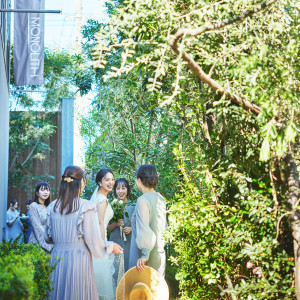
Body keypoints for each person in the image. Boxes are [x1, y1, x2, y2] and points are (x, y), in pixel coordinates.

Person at [44, 165, 123, 300]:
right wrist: (110, 246)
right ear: (80, 183)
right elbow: (94, 242)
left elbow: (47, 237)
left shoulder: (52, 206)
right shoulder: (85, 206)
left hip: (56, 260)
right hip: (78, 261)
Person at [90, 168, 123, 300]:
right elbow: (99, 224)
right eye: (107, 180)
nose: (111, 183)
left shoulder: (100, 197)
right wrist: (104, 245)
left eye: (112, 179)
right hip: (100, 240)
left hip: (97, 239)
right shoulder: (101, 200)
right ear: (99, 182)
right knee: (102, 281)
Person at [129, 164, 167, 276]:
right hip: (160, 253)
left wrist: (144, 255)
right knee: (156, 292)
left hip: (145, 256)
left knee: (143, 291)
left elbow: (145, 228)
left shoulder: (142, 200)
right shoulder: (160, 198)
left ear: (139, 180)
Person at [108, 178, 135, 272]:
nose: (120, 191)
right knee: (115, 271)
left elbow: (140, 225)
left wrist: (131, 228)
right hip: (115, 242)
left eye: (123, 188)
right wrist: (116, 223)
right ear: (115, 190)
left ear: (127, 190)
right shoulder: (111, 207)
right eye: (118, 188)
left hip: (129, 243)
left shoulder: (134, 206)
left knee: (129, 268)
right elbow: (107, 228)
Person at [28, 182, 53, 252]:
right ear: (37, 193)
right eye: (42, 190)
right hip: (37, 241)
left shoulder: (49, 207)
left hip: (50, 239)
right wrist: (49, 243)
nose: (45, 192)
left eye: (47, 190)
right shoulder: (33, 206)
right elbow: (36, 226)